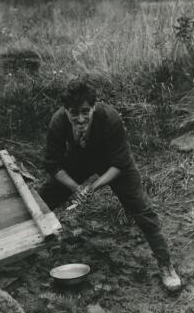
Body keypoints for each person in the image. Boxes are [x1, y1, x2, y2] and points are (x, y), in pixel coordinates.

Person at [40, 77, 182, 292]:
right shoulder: (58, 123)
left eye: (85, 111)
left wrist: (93, 186)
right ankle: (21, 248)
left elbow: (119, 164)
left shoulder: (110, 118)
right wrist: (75, 188)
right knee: (41, 200)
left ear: (94, 107)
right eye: (74, 113)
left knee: (143, 210)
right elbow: (53, 164)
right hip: (77, 161)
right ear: (65, 110)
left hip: (113, 162)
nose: (80, 119)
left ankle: (166, 266)